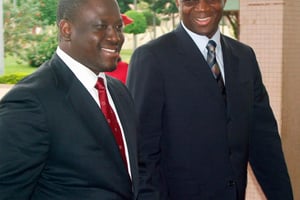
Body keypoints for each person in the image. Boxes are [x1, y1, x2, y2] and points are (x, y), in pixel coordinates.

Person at [126, 0, 293, 199]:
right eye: (191, 0)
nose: (202, 7)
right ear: (178, 2)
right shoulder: (152, 58)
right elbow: (141, 153)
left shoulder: (244, 57)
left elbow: (265, 143)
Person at [0, 0, 139, 199]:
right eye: (101, 27)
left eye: (118, 27)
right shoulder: (30, 102)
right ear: (66, 29)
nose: (115, 37)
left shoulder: (119, 93)